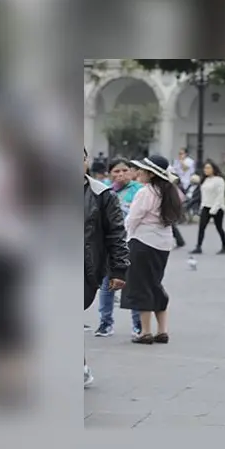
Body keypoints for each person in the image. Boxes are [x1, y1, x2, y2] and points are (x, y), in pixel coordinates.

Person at [122, 155, 182, 344]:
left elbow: (133, 219)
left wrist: (125, 237)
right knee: (155, 284)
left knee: (140, 286)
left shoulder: (146, 192)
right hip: (163, 244)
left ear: (151, 173)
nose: (139, 172)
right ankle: (162, 330)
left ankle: (145, 332)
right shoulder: (170, 192)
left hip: (142, 242)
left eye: (143, 170)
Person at [84, 148, 129, 387]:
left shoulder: (101, 194)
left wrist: (119, 269)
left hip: (86, 268)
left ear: (86, 162)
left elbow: (115, 234)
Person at [94, 157, 143, 338]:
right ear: (110, 174)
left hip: (133, 241)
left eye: (124, 170)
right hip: (109, 243)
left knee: (133, 284)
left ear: (131, 172)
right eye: (116, 171)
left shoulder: (139, 190)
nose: (121, 174)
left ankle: (138, 324)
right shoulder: (103, 190)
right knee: (107, 284)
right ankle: (105, 323)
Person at [190, 159, 225, 255]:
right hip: (206, 206)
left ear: (213, 169)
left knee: (219, 227)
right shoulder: (205, 180)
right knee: (201, 227)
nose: (206, 170)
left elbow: (220, 196)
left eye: (208, 168)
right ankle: (198, 246)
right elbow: (203, 195)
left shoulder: (219, 180)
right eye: (205, 168)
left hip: (217, 207)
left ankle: (224, 246)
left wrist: (214, 209)